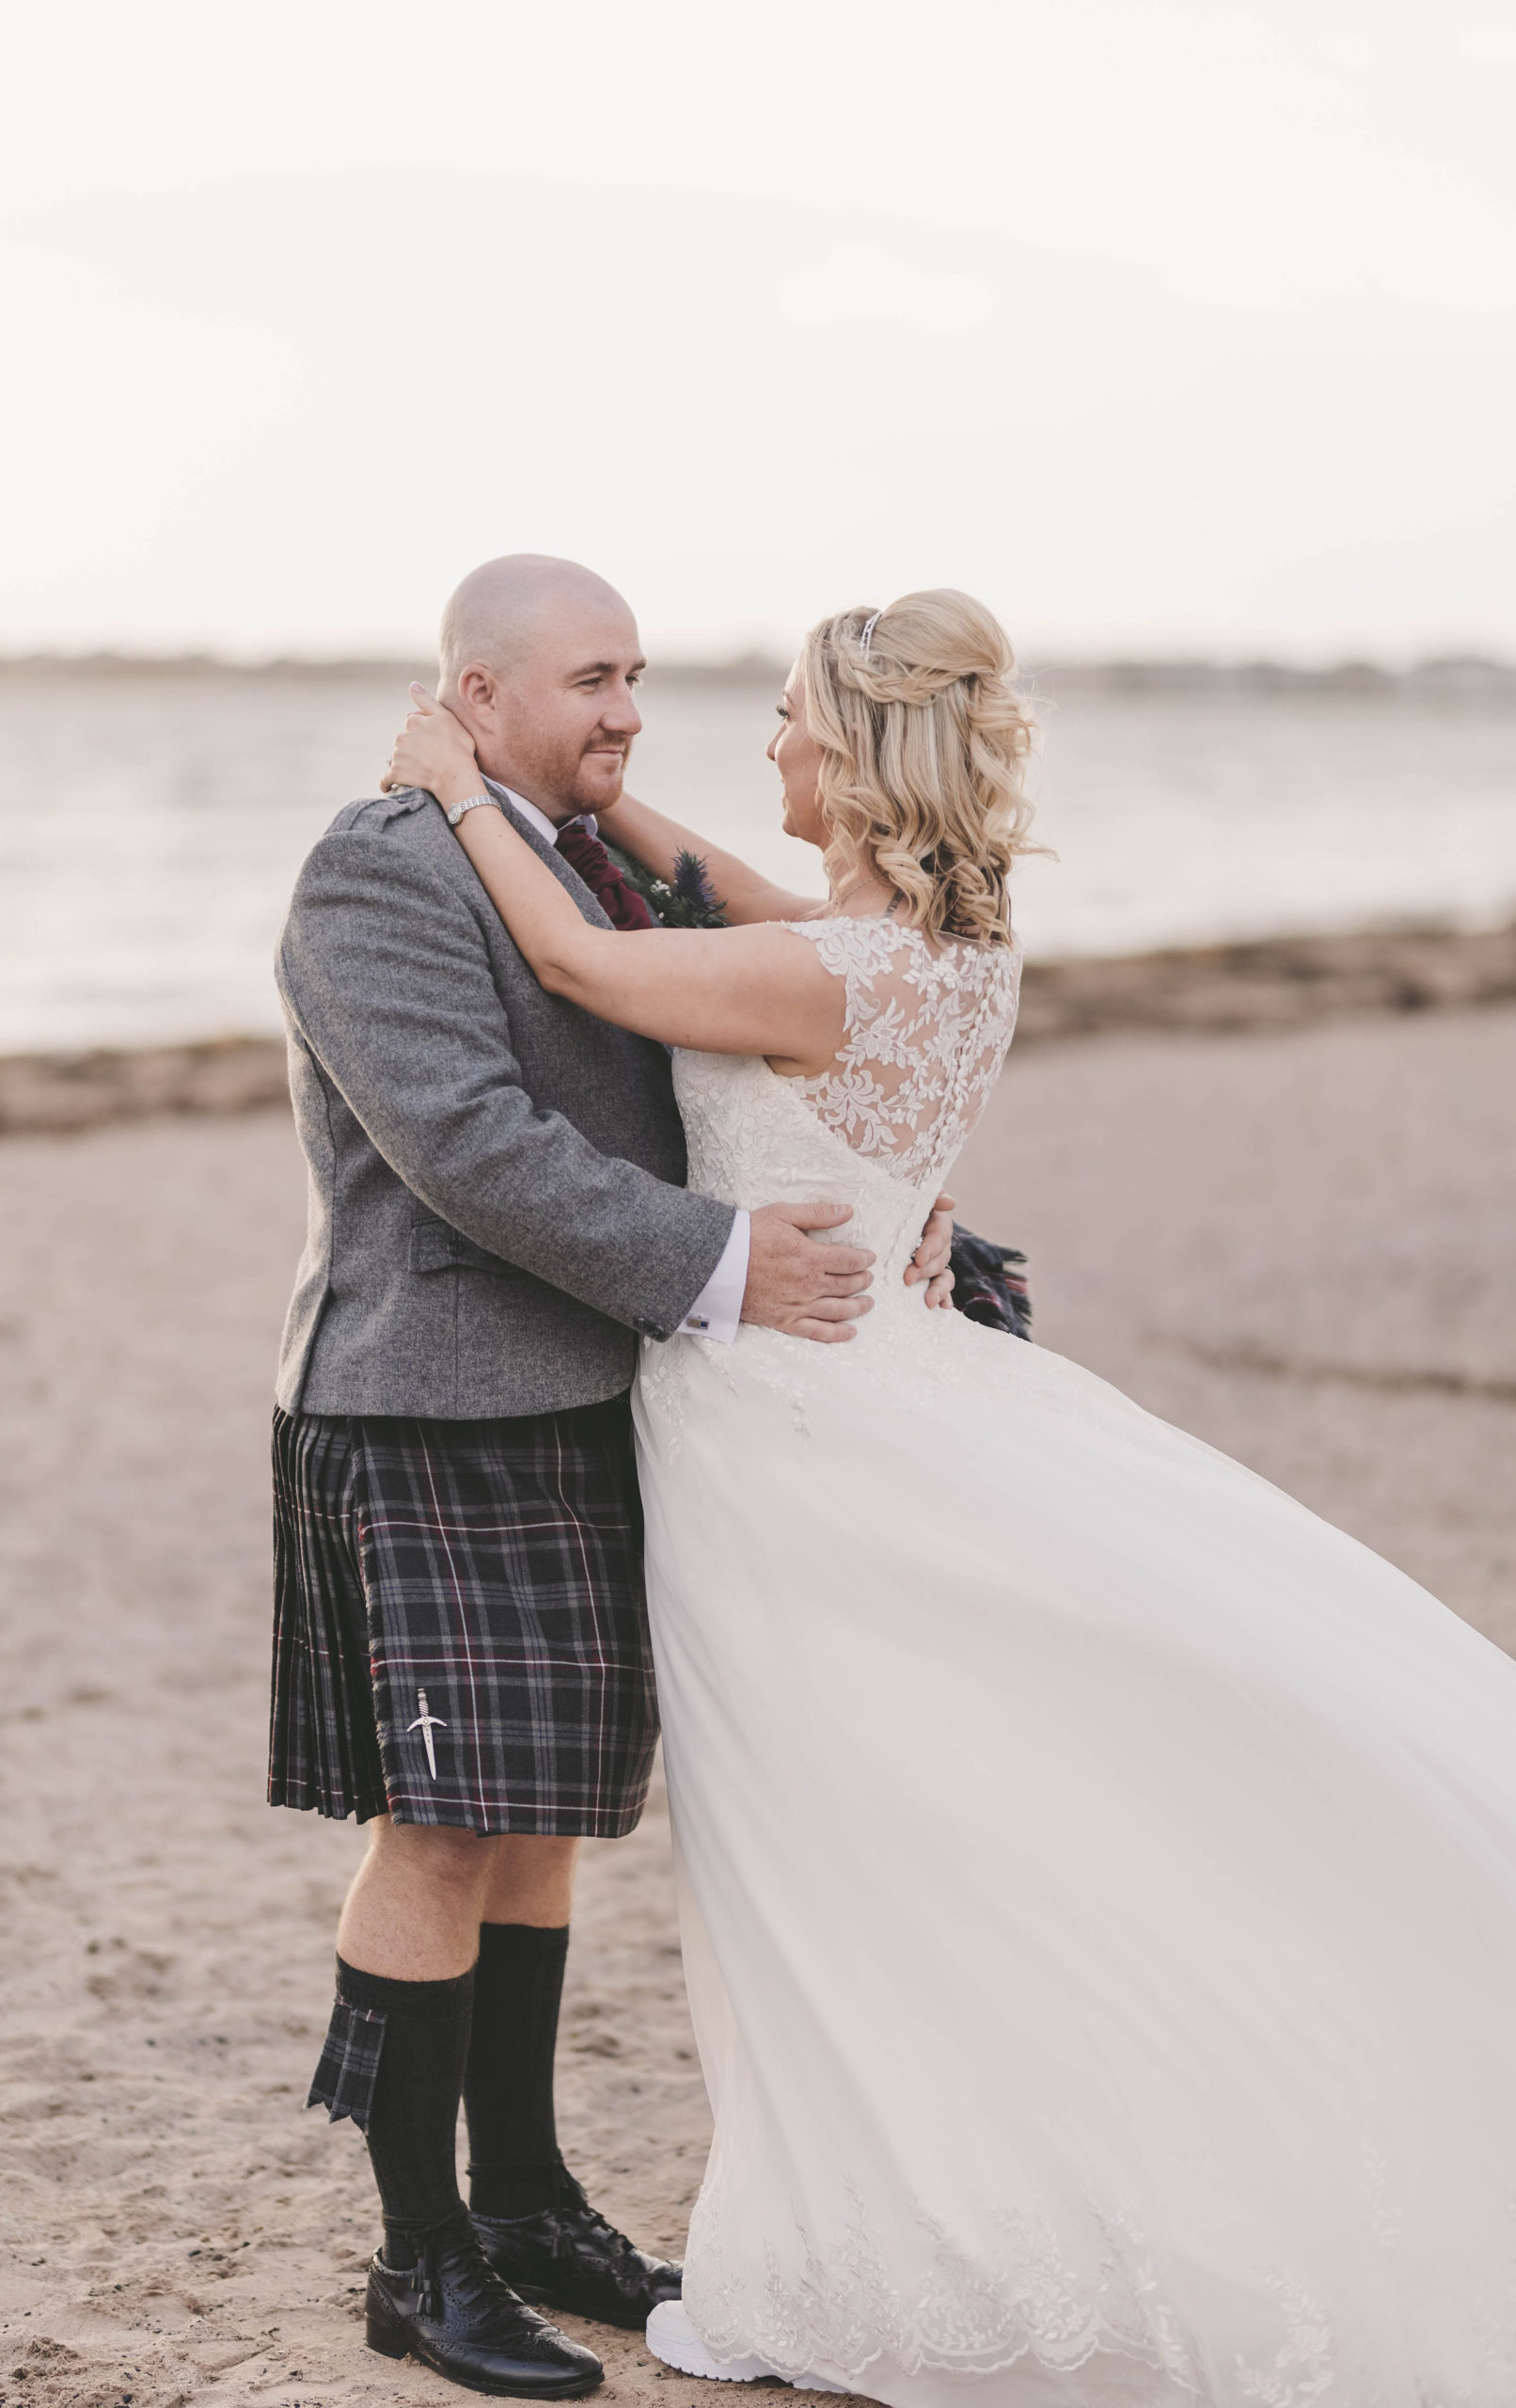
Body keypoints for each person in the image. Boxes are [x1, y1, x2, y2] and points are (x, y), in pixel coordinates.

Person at [385, 584, 1516, 2408]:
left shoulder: (833, 966)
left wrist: (455, 789)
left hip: (791, 1447)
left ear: (854, 748)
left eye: (783, 723)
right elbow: (712, 898)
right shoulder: (925, 941)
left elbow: (598, 968)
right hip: (863, 1398)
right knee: (896, 1832)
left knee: (836, 1849)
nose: (755, 749)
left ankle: (899, 2241)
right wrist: (595, 815)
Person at [269, 555, 963, 2397]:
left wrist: (903, 1204)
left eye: (636, 675)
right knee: (437, 1825)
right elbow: (471, 1149)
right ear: (475, 693)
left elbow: (736, 1050)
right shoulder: (381, 867)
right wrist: (727, 1266)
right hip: (430, 1401)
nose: (626, 711)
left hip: (589, 1390)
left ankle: (523, 2204)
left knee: (541, 1820)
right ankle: (418, 2262)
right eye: (588, 678)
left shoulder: (594, 858)